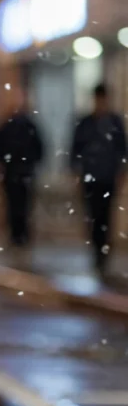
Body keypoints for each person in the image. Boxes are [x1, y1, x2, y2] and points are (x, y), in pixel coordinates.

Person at [70, 83, 127, 274]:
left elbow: (122, 150)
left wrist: (120, 172)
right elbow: (76, 151)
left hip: (107, 177)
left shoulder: (114, 122)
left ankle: (103, 251)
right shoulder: (86, 123)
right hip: (91, 179)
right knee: (94, 215)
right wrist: (77, 173)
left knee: (105, 216)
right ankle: (97, 250)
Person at [0, 90, 44, 246]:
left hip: (15, 171)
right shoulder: (23, 126)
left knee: (16, 204)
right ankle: (20, 233)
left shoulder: (10, 126)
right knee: (20, 204)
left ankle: (18, 233)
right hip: (21, 172)